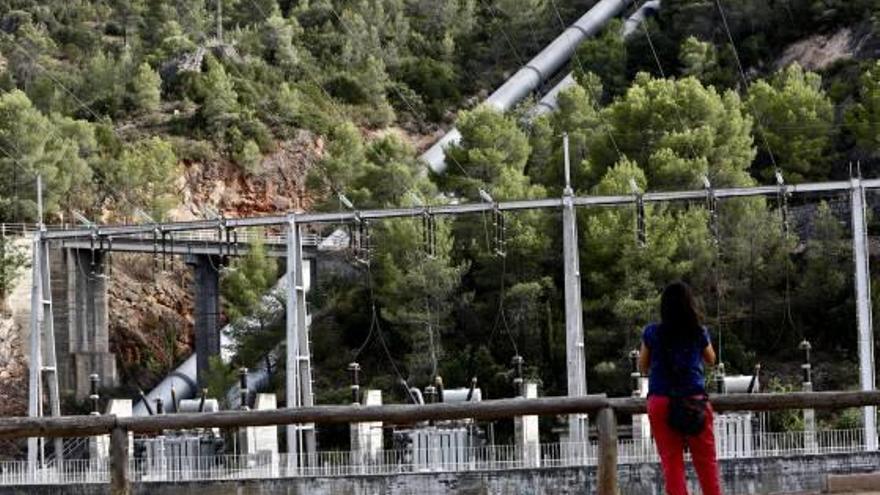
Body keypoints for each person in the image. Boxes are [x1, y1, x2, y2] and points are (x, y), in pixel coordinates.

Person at [638, 281, 722, 495]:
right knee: (706, 462)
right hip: (694, 401)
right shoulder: (698, 332)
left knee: (672, 463)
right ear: (689, 305)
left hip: (661, 401)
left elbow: (643, 366)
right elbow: (712, 359)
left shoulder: (652, 333)